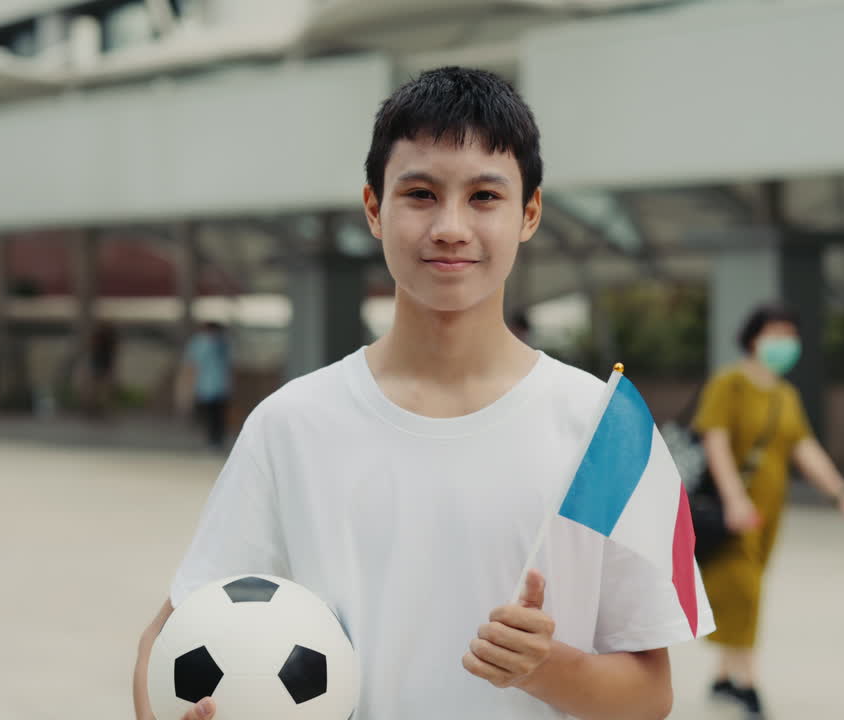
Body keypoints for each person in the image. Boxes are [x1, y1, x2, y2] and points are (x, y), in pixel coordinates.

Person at [134, 67, 710, 720]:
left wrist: (547, 667)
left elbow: (650, 695)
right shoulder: (291, 424)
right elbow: (168, 639)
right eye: (420, 194)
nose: (450, 227)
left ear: (530, 213)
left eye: (485, 197)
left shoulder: (608, 428)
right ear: (375, 210)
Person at [693, 304, 844, 719]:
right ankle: (748, 685)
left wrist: (843, 495)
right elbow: (714, 441)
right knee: (744, 591)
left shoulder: (784, 395)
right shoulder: (729, 384)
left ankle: (722, 677)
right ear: (752, 337)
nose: (784, 343)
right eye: (775, 333)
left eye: (790, 335)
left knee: (748, 592)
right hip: (732, 511)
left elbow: (805, 449)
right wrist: (735, 498)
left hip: (770, 513)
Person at [180, 322, 231, 449]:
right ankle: (211, 440)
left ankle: (217, 440)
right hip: (205, 385)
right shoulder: (199, 343)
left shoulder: (223, 344)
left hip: (219, 386)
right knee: (209, 415)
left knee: (219, 415)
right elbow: (191, 365)